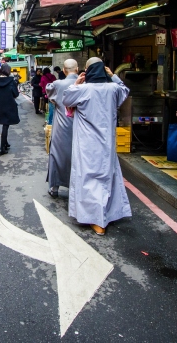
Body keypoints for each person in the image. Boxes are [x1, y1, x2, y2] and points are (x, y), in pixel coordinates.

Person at [61, 58, 131, 235]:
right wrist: (113, 76)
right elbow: (125, 90)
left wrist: (77, 82)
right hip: (106, 143)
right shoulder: (113, 89)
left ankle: (96, 219)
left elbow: (66, 98)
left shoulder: (83, 89)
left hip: (86, 144)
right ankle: (105, 214)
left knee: (88, 180)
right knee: (105, 178)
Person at [46, 59, 79, 198]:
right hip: (81, 127)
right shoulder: (86, 84)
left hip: (62, 127)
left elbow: (50, 94)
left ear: (64, 71)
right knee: (80, 158)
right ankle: (78, 189)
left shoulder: (58, 84)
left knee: (57, 155)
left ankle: (54, 188)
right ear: (77, 69)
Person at [0, 64, 20, 156]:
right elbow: (16, 94)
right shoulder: (12, 81)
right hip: (9, 105)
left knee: (5, 125)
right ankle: (1, 148)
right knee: (6, 125)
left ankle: (6, 143)